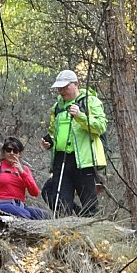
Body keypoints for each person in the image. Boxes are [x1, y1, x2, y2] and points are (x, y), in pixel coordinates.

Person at [40, 69, 107, 216]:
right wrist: (49, 143)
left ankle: (92, 231)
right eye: (59, 88)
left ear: (76, 84)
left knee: (89, 202)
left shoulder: (90, 101)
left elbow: (101, 127)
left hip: (84, 160)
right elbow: (53, 131)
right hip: (60, 160)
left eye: (65, 87)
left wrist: (80, 116)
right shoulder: (56, 107)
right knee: (61, 203)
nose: (61, 91)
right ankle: (66, 232)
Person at [0, 137, 49, 220]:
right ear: (4, 151)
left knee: (45, 215)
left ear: (19, 154)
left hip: (21, 206)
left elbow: (35, 192)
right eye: (8, 150)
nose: (12, 153)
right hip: (2, 203)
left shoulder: (24, 169)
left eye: (15, 151)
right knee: (25, 214)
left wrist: (22, 172)